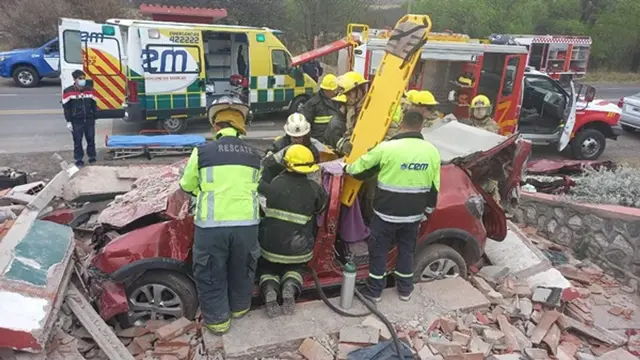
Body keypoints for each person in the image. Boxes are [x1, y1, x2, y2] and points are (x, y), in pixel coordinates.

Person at [179, 96, 261, 335]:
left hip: (211, 227)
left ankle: (218, 322)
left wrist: (203, 191)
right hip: (247, 226)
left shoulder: (202, 152)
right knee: (242, 269)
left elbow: (187, 185)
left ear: (216, 126)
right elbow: (257, 187)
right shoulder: (255, 155)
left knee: (212, 273)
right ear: (240, 126)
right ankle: (239, 309)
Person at [344, 111, 441, 302]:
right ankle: (405, 290)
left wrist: (346, 168)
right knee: (406, 251)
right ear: (421, 127)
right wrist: (427, 211)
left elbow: (359, 168)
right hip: (413, 215)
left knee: (378, 251)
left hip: (386, 214)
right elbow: (434, 186)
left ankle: (375, 291)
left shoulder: (387, 148)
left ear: (401, 125)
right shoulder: (431, 151)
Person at [257, 144, 328, 318]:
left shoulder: (274, 183)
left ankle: (269, 288)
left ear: (287, 164)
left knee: (267, 269)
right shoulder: (314, 188)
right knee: (297, 268)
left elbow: (259, 198)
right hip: (299, 247)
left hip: (270, 246)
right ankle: (290, 283)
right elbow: (321, 209)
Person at [262, 113, 323, 183]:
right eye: (294, 137)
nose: (297, 140)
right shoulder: (278, 146)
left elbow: (314, 173)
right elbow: (265, 164)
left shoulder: (312, 150)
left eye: (300, 137)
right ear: (289, 135)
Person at [62, 70, 97, 167]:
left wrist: (94, 116)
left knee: (91, 139)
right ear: (74, 79)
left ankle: (92, 157)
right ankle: (79, 159)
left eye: (83, 78)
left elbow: (94, 105)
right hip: (76, 121)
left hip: (89, 120)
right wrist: (68, 121)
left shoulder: (90, 90)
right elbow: (66, 108)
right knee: (77, 141)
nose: (82, 80)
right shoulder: (68, 91)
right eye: (80, 79)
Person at [335, 71, 369, 155]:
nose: (347, 98)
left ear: (360, 89)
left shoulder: (372, 107)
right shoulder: (352, 112)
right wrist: (344, 143)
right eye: (346, 95)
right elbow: (349, 133)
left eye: (349, 94)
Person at [301, 74, 341, 141]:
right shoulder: (312, 104)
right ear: (325, 90)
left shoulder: (339, 101)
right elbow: (304, 127)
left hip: (335, 141)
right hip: (319, 143)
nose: (334, 93)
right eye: (332, 91)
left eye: (335, 90)